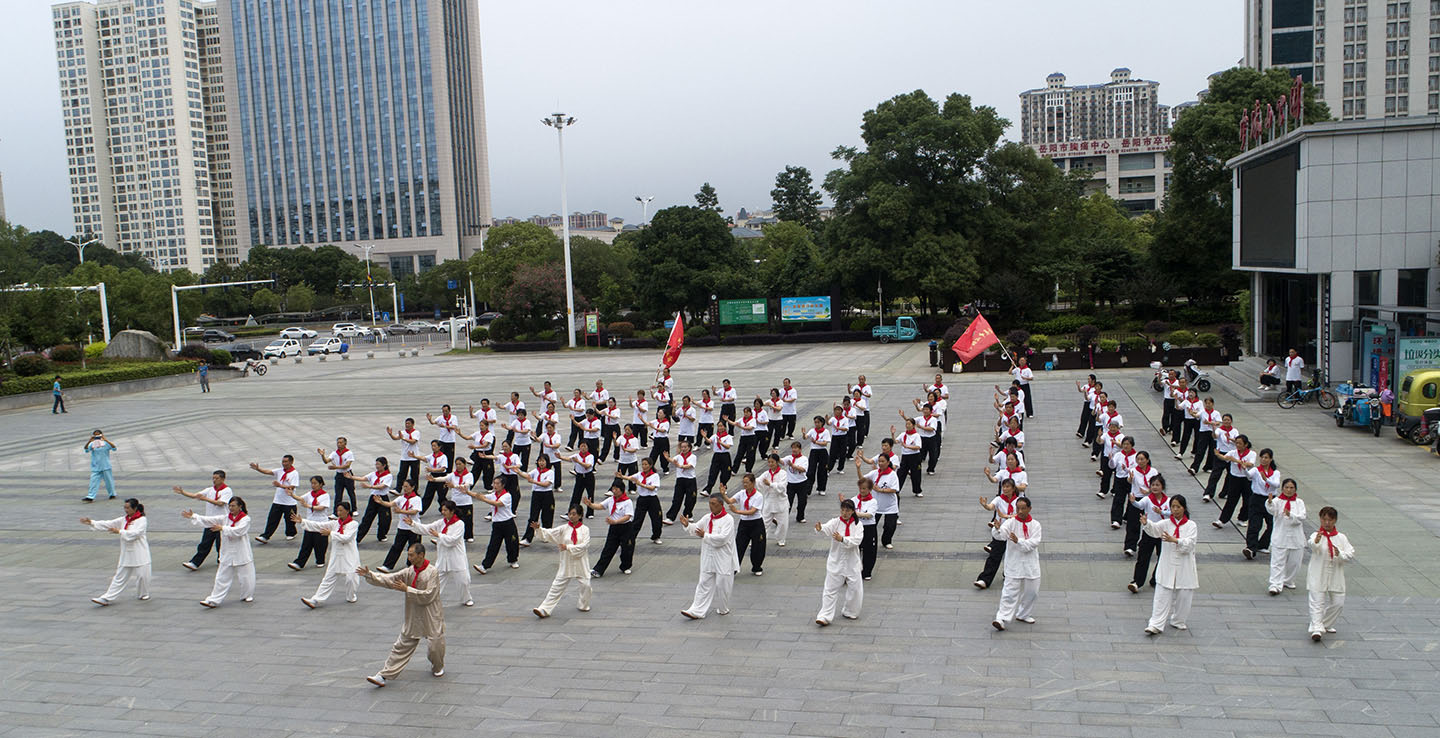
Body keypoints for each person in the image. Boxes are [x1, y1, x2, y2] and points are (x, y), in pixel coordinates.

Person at [361, 543, 445, 687]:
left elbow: (429, 595)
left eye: (412, 555)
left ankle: (437, 666)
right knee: (402, 645)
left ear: (421, 555)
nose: (409, 557)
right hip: (413, 614)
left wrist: (408, 589)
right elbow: (391, 579)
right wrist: (371, 575)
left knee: (435, 646)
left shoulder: (432, 572)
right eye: (408, 554)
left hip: (431, 614)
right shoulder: (409, 571)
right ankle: (383, 675)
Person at [183, 496, 255, 608]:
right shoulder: (225, 518)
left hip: (241, 552)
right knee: (221, 578)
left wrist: (223, 528)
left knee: (246, 577)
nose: (230, 508)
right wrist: (194, 516)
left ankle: (247, 595)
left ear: (240, 507)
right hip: (227, 552)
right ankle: (213, 599)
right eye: (229, 506)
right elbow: (209, 520)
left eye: (233, 506)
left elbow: (239, 531)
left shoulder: (245, 519)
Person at [1143, 494, 1198, 635]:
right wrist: (1146, 523)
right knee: (1162, 594)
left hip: (1185, 565)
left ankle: (1178, 620)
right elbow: (1154, 530)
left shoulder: (1191, 525)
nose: (1175, 510)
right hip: (1167, 564)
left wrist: (1176, 540)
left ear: (1184, 508)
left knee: (1184, 595)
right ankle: (1155, 623)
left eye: (1178, 507)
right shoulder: (1166, 523)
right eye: (1173, 507)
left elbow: (1190, 544)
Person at [679, 494, 739, 620]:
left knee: (722, 583)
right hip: (708, 555)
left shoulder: (728, 519)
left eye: (714, 504)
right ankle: (697, 610)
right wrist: (687, 525)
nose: (711, 507)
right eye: (710, 504)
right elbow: (697, 528)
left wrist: (705, 535)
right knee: (704, 582)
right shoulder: (707, 518)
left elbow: (722, 539)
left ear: (721, 505)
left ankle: (723, 608)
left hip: (723, 557)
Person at [82, 498, 150, 605]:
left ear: (135, 508)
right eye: (125, 507)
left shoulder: (142, 520)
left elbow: (137, 533)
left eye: (128, 508)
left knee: (143, 576)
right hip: (127, 554)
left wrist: (119, 531)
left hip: (140, 553)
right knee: (119, 577)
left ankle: (143, 594)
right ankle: (106, 598)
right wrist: (92, 522)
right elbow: (109, 524)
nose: (126, 510)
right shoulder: (124, 519)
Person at [407, 501, 474, 607]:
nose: (443, 512)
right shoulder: (441, 522)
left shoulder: (459, 524)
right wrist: (413, 524)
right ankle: (432, 598)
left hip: (456, 557)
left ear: (452, 511)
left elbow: (453, 540)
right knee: (436, 580)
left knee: (463, 581)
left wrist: (439, 535)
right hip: (443, 557)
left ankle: (466, 598)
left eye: (445, 510)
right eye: (442, 510)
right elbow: (428, 528)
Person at [531, 506, 593, 617]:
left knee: (586, 585)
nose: (571, 516)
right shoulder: (563, 528)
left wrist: (568, 547)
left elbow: (584, 545)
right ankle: (544, 609)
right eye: (570, 514)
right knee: (557, 585)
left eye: (574, 514)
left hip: (581, 562)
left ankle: (583, 605)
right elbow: (550, 534)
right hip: (567, 561)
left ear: (580, 516)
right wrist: (539, 529)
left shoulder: (585, 530)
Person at [991, 497, 1041, 631]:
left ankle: (1023, 614)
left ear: (1029, 509)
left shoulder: (1036, 525)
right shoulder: (1011, 522)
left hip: (1031, 564)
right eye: (1017, 508)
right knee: (1009, 592)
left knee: (1032, 591)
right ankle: (1001, 618)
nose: (1019, 511)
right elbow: (1001, 536)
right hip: (1014, 562)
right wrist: (997, 529)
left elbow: (1034, 543)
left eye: (1023, 508)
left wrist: (1019, 541)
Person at [299, 501, 360, 608]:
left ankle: (351, 596)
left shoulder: (353, 524)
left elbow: (347, 538)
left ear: (347, 511)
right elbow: (319, 526)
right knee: (328, 578)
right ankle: (315, 600)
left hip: (349, 556)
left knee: (351, 578)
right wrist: (303, 521)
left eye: (341, 510)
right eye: (337, 511)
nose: (339, 513)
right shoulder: (335, 523)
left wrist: (331, 533)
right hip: (336, 556)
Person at [1307, 506, 1355, 641]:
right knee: (1317, 602)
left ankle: (1324, 623)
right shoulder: (1316, 535)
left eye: (1330, 520)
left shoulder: (1341, 538)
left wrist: (1340, 554)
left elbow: (1350, 553)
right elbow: (1311, 544)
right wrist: (1316, 541)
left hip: (1335, 574)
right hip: (1318, 573)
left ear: (1335, 520)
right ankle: (1316, 628)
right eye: (1324, 519)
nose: (1327, 522)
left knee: (1338, 602)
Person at [814, 499, 864, 626]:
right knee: (830, 589)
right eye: (842, 510)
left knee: (855, 589)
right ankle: (825, 615)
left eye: (847, 510)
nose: (844, 513)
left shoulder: (858, 525)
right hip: (836, 562)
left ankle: (850, 611)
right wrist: (820, 529)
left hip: (852, 563)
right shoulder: (836, 522)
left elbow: (857, 541)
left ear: (853, 511)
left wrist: (843, 539)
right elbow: (826, 528)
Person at [175, 471, 233, 571]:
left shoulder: (227, 491)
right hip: (209, 522)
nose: (214, 480)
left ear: (223, 479)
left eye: (217, 478)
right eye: (213, 478)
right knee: (205, 544)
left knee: (221, 544)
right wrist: (183, 492)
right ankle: (195, 563)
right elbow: (195, 495)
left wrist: (205, 499)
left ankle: (223, 560)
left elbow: (220, 503)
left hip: (222, 522)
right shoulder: (210, 490)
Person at [974, 478, 1020, 590]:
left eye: (1007, 487)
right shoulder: (999, 499)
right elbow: (991, 507)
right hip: (1001, 531)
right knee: (994, 556)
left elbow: (1020, 514)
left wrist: (1006, 516)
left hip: (1014, 532)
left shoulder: (1019, 500)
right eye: (1003, 486)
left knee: (1013, 556)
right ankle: (984, 579)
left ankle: (1009, 574)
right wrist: (985, 505)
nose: (1005, 489)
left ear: (1013, 488)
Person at [1128, 474, 1171, 592]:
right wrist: (1133, 502)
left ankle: (1156, 579)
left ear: (1162, 486)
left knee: (1162, 557)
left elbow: (1172, 513)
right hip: (1149, 531)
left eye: (1157, 485)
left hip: (1163, 533)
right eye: (1153, 485)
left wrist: (1161, 511)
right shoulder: (1147, 499)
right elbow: (1139, 505)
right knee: (1143, 558)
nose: (1155, 487)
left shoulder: (1168, 500)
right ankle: (1137, 582)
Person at [1266, 478, 1307, 595]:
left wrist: (1291, 515)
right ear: (1282, 488)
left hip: (1296, 537)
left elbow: (1302, 517)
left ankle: (1288, 580)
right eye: (1286, 487)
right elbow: (1271, 509)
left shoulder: (1299, 502)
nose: (1289, 490)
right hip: (1281, 535)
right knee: (1277, 562)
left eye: (1291, 488)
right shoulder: (1277, 501)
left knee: (1294, 562)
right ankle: (1275, 584)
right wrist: (1269, 503)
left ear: (1295, 489)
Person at [585, 482, 635, 577]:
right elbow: (601, 506)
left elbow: (628, 516)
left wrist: (615, 521)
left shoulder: (627, 502)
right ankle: (598, 570)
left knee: (627, 549)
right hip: (614, 527)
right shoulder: (611, 499)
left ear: (622, 490)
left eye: (616, 489)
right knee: (608, 548)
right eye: (613, 489)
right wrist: (590, 505)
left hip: (626, 527)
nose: (614, 491)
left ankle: (625, 566)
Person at [1240, 448, 1280, 560]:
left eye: (1266, 457)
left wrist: (1266, 479)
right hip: (1257, 499)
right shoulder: (1256, 470)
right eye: (1262, 457)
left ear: (1271, 459)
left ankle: (1263, 544)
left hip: (1271, 500)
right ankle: (1251, 548)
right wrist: (1244, 469)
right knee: (1254, 524)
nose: (1263, 459)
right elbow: (1249, 476)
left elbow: (1276, 484)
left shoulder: (1275, 472)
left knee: (1272, 524)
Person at [375, 480, 423, 572]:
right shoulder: (401, 498)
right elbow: (390, 504)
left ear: (412, 487)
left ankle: (412, 566)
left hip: (414, 527)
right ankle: (387, 566)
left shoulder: (417, 499)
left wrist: (401, 511)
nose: (404, 489)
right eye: (403, 486)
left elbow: (414, 511)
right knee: (397, 546)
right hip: (402, 527)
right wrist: (381, 502)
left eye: (406, 486)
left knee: (414, 548)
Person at [474, 478, 520, 573]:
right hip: (497, 524)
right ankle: (485, 566)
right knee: (493, 545)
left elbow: (498, 504)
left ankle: (513, 560)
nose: (495, 485)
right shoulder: (492, 495)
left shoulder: (507, 496)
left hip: (508, 523)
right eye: (494, 483)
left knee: (512, 543)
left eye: (497, 483)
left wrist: (484, 499)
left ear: (503, 485)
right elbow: (479, 496)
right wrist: (467, 492)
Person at [858, 451, 901, 550]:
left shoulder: (892, 475)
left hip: (890, 506)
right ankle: (865, 542)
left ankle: (886, 541)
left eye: (882, 461)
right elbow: (862, 480)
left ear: (888, 462)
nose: (880, 463)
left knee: (890, 526)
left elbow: (894, 489)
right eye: (879, 461)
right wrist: (858, 468)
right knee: (870, 526)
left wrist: (880, 490)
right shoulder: (874, 473)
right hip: (876, 505)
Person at [286, 476, 332, 570]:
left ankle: (320, 560)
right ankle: (299, 563)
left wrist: (309, 506)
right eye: (312, 483)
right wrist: (292, 495)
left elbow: (322, 507)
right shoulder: (310, 494)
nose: (313, 485)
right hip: (310, 522)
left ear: (321, 484)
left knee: (320, 544)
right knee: (306, 544)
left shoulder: (325, 495)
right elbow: (301, 498)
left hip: (321, 523)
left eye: (315, 483)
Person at [251, 455, 299, 544]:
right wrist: (258, 469)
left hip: (289, 502)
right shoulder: (280, 471)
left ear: (291, 462)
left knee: (290, 520)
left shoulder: (294, 473)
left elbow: (292, 487)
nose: (284, 463)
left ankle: (291, 533)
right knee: (272, 519)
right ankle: (265, 536)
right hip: (278, 500)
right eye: (283, 461)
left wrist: (280, 485)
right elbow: (268, 472)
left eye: (286, 462)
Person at [1213, 434, 1255, 529]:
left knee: (1247, 500)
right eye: (1236, 443)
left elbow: (1250, 464)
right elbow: (1224, 458)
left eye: (1240, 443)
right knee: (1231, 500)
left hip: (1246, 479)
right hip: (1235, 478)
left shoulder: (1252, 454)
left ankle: (1242, 518)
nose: (1238, 445)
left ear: (1245, 444)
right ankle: (1222, 520)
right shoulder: (1232, 452)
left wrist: (1236, 461)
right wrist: (1218, 454)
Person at [349, 457, 395, 544]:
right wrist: (351, 477)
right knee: (367, 518)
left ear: (384, 465)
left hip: (382, 498)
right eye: (376, 464)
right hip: (373, 498)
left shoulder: (388, 476)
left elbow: (382, 486)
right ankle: (358, 537)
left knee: (385, 519)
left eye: (378, 464)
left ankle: (382, 535)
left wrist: (369, 486)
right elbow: (363, 478)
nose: (377, 466)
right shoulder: (374, 474)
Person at [727, 472, 766, 575]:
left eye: (747, 483)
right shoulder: (742, 493)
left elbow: (752, 511)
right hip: (744, 523)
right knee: (739, 545)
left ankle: (757, 567)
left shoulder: (758, 496)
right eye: (743, 483)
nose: (745, 485)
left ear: (753, 483)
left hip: (756, 523)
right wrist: (723, 494)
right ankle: (734, 567)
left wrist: (737, 511)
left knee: (757, 546)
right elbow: (730, 501)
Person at [1124, 452, 1161, 556]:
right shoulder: (1133, 470)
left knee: (1149, 522)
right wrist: (1131, 478)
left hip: (1149, 499)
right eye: (1138, 459)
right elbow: (1129, 481)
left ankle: (1144, 542)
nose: (1140, 461)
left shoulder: (1153, 471)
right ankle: (1130, 546)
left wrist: (1149, 491)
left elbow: (1157, 484)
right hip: (1136, 498)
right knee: (1133, 523)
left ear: (1147, 460)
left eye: (1142, 459)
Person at [518, 455, 557, 547]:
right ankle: (527, 538)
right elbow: (527, 475)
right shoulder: (535, 471)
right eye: (539, 461)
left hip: (547, 495)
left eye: (543, 461)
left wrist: (533, 481)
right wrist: (518, 471)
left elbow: (546, 484)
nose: (541, 463)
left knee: (547, 516)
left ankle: (546, 535)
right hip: (536, 494)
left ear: (547, 462)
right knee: (533, 516)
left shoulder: (550, 472)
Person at [1202, 414, 1239, 503]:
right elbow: (1215, 436)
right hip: (1220, 454)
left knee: (1230, 475)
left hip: (1231, 455)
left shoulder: (1234, 431)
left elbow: (1238, 441)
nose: (1226, 422)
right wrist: (1214, 429)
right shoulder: (1219, 430)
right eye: (1225, 420)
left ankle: (1224, 492)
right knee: (1215, 474)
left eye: (1228, 420)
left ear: (1231, 421)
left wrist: (1231, 439)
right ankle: (1208, 493)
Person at [848, 477, 879, 580]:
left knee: (869, 551)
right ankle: (852, 571)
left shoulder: (873, 501)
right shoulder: (854, 500)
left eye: (864, 489)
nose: (862, 491)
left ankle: (867, 572)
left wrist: (855, 513)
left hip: (868, 528)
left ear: (869, 489)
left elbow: (869, 515)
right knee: (854, 549)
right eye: (860, 488)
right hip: (856, 527)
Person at [663, 440, 699, 523]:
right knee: (677, 499)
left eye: (685, 447)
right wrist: (668, 458)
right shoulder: (679, 456)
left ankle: (688, 514)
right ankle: (670, 517)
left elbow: (689, 466)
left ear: (689, 448)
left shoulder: (693, 457)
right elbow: (673, 461)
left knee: (691, 499)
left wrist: (680, 466)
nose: (683, 449)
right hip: (680, 479)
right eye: (682, 447)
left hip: (690, 480)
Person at [756, 456, 789, 547]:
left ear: (777, 462)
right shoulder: (766, 473)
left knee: (782, 523)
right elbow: (758, 481)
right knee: (764, 522)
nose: (770, 464)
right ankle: (760, 538)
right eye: (769, 462)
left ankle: (781, 539)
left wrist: (770, 484)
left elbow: (782, 487)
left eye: (772, 462)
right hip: (769, 501)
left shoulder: (783, 473)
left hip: (780, 501)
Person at [559, 441, 596, 518]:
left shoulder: (590, 456)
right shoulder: (576, 456)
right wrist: (560, 457)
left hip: (588, 476)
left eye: (585, 446)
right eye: (582, 446)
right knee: (576, 495)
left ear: (588, 448)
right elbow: (569, 459)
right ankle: (571, 513)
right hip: (579, 476)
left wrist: (578, 462)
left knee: (590, 494)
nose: (583, 448)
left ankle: (590, 513)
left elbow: (588, 466)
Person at [319, 438, 356, 516]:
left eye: (340, 442)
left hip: (347, 474)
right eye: (338, 442)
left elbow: (347, 465)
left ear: (345, 443)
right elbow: (326, 461)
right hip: (339, 475)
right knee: (338, 494)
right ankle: (335, 512)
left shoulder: (349, 453)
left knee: (351, 492)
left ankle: (354, 509)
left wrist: (336, 467)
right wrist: (322, 455)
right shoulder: (334, 453)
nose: (339, 444)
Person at [386, 419, 422, 495]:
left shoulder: (416, 432)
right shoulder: (402, 432)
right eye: (406, 423)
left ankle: (414, 491)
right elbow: (396, 438)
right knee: (401, 474)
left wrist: (403, 438)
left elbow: (413, 441)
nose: (407, 425)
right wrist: (390, 434)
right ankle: (398, 489)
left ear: (413, 424)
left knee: (414, 475)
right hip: (405, 457)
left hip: (414, 457)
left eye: (408, 423)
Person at [414, 441, 450, 515]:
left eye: (435, 446)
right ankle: (421, 510)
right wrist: (414, 456)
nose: (433, 448)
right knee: (428, 495)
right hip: (432, 476)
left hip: (441, 477)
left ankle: (446, 509)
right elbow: (424, 458)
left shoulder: (443, 457)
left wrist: (432, 469)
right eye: (432, 446)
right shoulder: (432, 456)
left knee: (441, 496)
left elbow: (443, 469)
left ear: (439, 447)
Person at [83, 429, 117, 502]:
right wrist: (89, 441)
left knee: (109, 481)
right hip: (96, 466)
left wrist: (106, 440)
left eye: (98, 435)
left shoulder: (106, 443)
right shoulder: (92, 444)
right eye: (95, 435)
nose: (97, 437)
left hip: (106, 466)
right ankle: (90, 496)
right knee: (93, 482)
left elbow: (114, 448)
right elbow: (86, 449)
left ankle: (112, 494)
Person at [892, 419, 924, 498]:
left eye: (909, 424)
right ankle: (897, 490)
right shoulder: (903, 434)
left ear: (913, 425)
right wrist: (892, 434)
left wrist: (907, 446)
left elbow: (918, 447)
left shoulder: (916, 435)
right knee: (901, 473)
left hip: (914, 456)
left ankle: (917, 490)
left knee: (915, 474)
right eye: (906, 424)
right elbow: (896, 441)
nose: (907, 426)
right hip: (905, 456)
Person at [700, 423, 734, 494]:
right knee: (713, 472)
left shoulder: (728, 437)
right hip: (717, 455)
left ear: (725, 427)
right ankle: (708, 490)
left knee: (725, 473)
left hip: (725, 455)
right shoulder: (715, 436)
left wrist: (720, 443)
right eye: (718, 426)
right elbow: (709, 441)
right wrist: (705, 437)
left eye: (721, 426)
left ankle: (723, 486)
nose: (720, 428)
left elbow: (728, 446)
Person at [803, 415, 832, 497]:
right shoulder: (812, 431)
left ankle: (821, 488)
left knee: (822, 470)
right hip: (814, 451)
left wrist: (816, 442)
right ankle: (808, 490)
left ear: (822, 423)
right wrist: (804, 434)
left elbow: (825, 443)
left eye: (818, 422)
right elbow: (806, 437)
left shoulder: (825, 432)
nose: (816, 424)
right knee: (811, 471)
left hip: (822, 451)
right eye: (815, 422)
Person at [646, 409, 672, 474]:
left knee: (663, 456)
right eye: (658, 413)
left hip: (663, 441)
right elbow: (648, 423)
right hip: (656, 440)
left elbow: (663, 430)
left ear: (664, 415)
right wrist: (641, 419)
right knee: (653, 455)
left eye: (660, 413)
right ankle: (651, 468)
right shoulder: (656, 421)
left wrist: (654, 428)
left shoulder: (666, 422)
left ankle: (665, 468)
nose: (659, 414)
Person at [779, 378, 799, 442]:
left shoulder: (793, 390)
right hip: (783, 411)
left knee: (791, 424)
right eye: (784, 383)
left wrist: (786, 400)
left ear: (789, 383)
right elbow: (776, 394)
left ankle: (790, 434)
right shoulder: (781, 390)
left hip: (791, 411)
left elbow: (793, 399)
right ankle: (782, 435)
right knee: (783, 424)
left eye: (786, 383)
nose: (785, 384)